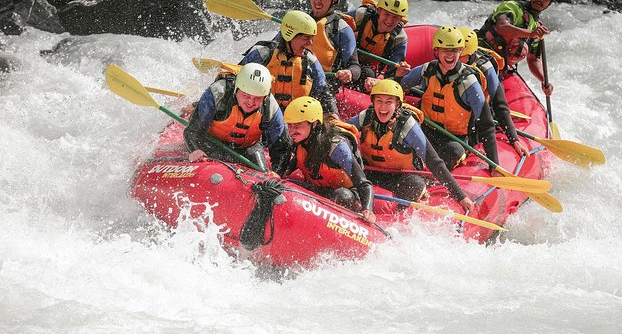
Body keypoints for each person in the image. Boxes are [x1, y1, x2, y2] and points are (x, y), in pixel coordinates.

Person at [348, 80, 474, 211]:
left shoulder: (407, 125)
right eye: (379, 101)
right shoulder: (365, 117)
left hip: (402, 177)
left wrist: (461, 197)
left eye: (389, 102)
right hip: (372, 172)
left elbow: (434, 162)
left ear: (397, 104)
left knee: (415, 184)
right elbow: (344, 135)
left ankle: (394, 215)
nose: (383, 107)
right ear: (373, 102)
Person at [398, 26, 500, 173]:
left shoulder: (469, 83)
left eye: (454, 51)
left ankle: (430, 175)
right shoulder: (427, 70)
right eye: (445, 50)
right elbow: (399, 86)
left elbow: (486, 124)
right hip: (425, 130)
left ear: (461, 51)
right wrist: (394, 77)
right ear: (436, 51)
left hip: (454, 139)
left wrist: (494, 165)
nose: (450, 55)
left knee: (454, 150)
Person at [282, 96, 376, 224]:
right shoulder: (298, 139)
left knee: (343, 195)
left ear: (314, 124)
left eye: (298, 125)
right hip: (318, 189)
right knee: (285, 185)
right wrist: (279, 174)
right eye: (290, 125)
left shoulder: (336, 147)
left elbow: (364, 184)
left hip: (347, 193)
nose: (292, 131)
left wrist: (367, 209)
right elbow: (293, 163)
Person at [184, 63, 291, 174]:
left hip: (248, 149)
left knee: (264, 176)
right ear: (236, 89)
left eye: (257, 98)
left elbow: (281, 148)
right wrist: (195, 149)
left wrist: (276, 173)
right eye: (246, 95)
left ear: (265, 97)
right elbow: (192, 131)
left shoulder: (271, 108)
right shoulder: (218, 93)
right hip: (210, 143)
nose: (250, 102)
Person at [240, 10, 338, 116]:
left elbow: (324, 92)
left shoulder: (311, 61)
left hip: (296, 120)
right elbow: (236, 80)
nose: (310, 43)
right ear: (290, 36)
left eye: (311, 38)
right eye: (306, 38)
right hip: (262, 117)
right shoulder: (262, 55)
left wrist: (333, 115)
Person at [477, 0, 558, 96]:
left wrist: (544, 80)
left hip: (499, 65)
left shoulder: (536, 26)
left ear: (549, 3)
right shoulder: (512, 7)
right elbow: (501, 27)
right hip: (480, 53)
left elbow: (533, 59)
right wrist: (531, 33)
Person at [459, 27, 528, 158]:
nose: (454, 58)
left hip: (475, 122)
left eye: (459, 54)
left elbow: (500, 105)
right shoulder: (444, 62)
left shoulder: (486, 69)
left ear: (470, 54)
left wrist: (514, 140)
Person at [347, 0, 412, 91]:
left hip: (366, 69)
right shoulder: (360, 15)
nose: (389, 21)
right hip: (345, 58)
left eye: (395, 17)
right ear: (379, 10)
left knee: (369, 74)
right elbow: (333, 24)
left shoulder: (399, 38)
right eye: (386, 14)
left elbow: (391, 75)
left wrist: (397, 74)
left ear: (400, 19)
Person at [306, 0, 361, 88]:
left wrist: (349, 72)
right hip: (296, 79)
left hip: (324, 85)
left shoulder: (341, 28)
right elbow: (274, 48)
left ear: (334, 0)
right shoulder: (299, 20)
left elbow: (355, 66)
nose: (317, 1)